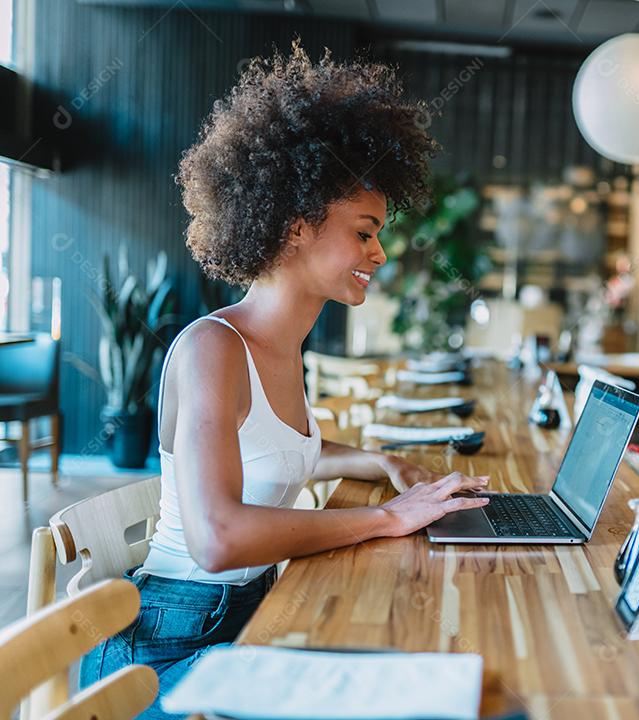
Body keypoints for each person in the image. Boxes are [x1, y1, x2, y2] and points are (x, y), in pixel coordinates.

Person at [80, 43, 490, 719]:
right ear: (297, 226)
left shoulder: (284, 344)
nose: (379, 253)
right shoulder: (214, 348)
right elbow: (217, 538)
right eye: (364, 233)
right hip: (164, 653)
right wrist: (386, 519)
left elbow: (268, 447)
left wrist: (382, 462)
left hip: (236, 624)